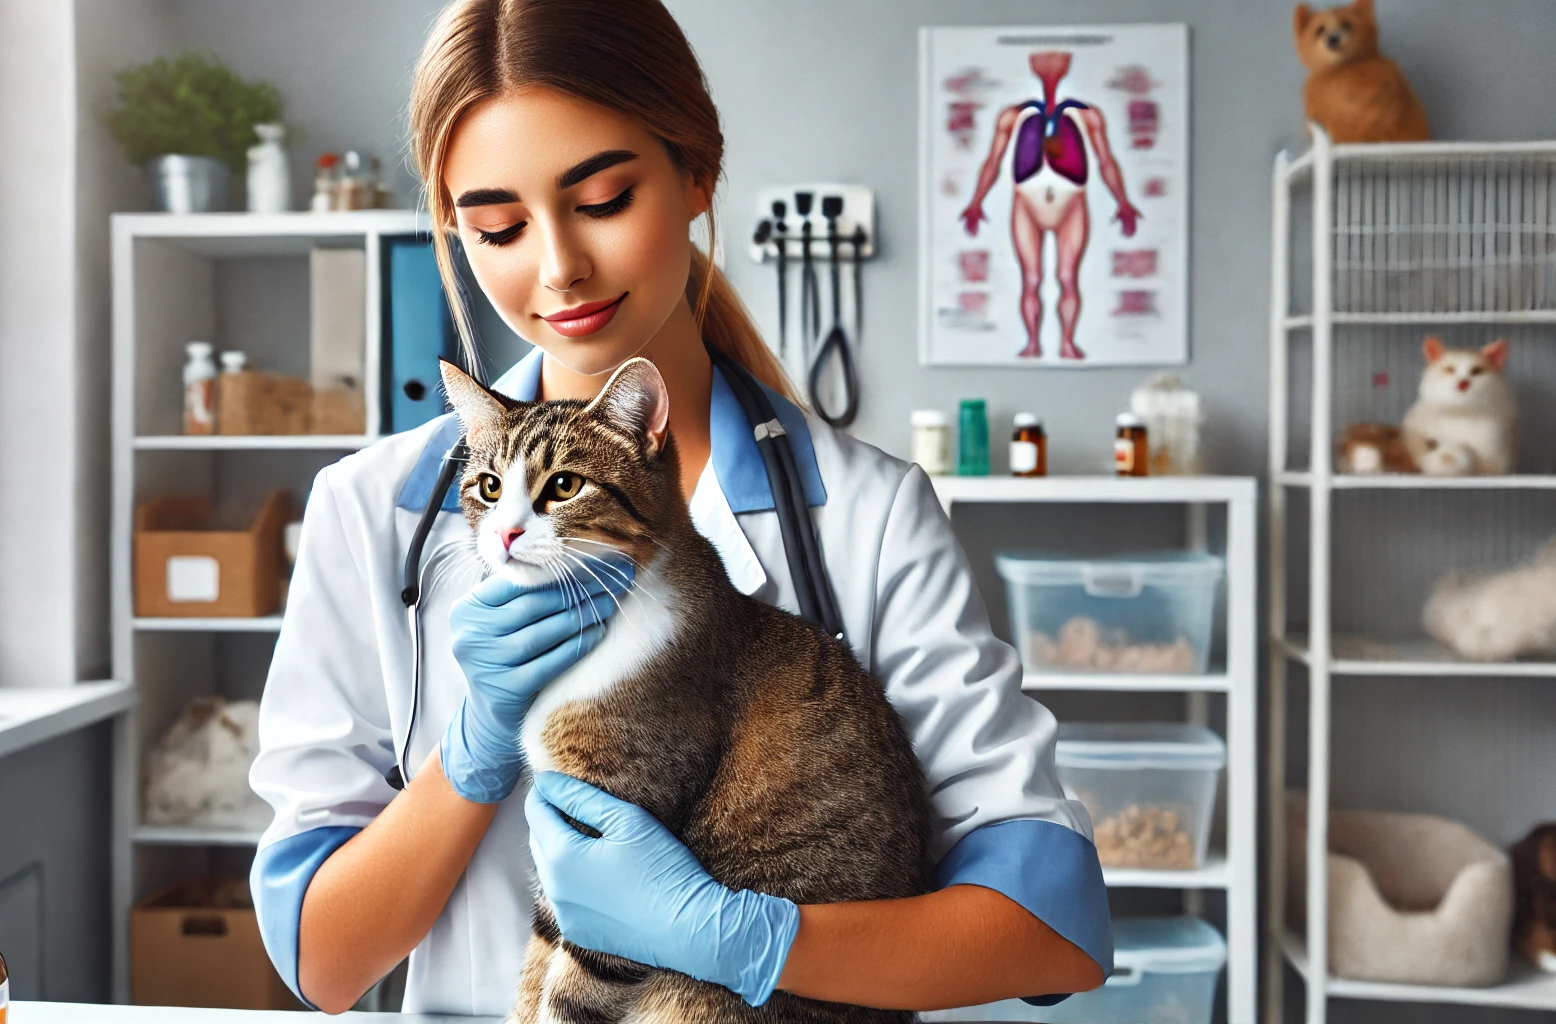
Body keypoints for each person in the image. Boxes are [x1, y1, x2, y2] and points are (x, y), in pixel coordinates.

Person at [249, 0, 1111, 1016]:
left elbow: (1049, 935)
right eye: (497, 226)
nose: (558, 266)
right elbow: (320, 961)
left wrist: (737, 934)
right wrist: (473, 752)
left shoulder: (867, 515)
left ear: (697, 172)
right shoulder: (372, 512)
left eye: (604, 198)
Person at [958, 51, 1142, 361]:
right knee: (1031, 278)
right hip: (1026, 203)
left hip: (1072, 202)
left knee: (1068, 278)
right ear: (1032, 66)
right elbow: (993, 162)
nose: (1050, 66)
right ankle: (1033, 343)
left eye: (1058, 61)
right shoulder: (1013, 115)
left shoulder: (1087, 115)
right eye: (1043, 61)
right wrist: (976, 202)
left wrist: (1122, 201)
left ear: (1067, 66)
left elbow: (1106, 161)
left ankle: (1067, 343)